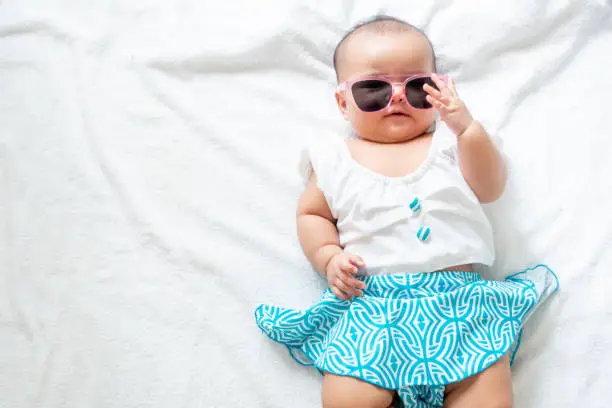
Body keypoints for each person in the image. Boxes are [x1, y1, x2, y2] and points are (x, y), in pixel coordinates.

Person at [254, 14, 558, 408]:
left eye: (418, 87)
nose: (397, 96)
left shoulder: (453, 143)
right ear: (343, 103)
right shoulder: (333, 157)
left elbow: (490, 187)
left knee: (486, 390)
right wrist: (328, 257)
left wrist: (466, 129)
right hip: (370, 310)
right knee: (348, 397)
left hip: (461, 309)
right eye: (372, 90)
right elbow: (312, 215)